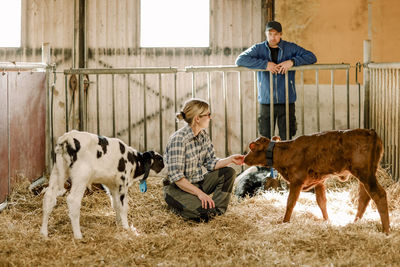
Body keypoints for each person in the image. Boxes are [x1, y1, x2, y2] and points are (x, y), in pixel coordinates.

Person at [163, 98, 244, 222]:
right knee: (201, 214)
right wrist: (200, 194)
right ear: (197, 118)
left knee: (228, 172)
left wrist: (231, 160)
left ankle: (216, 211)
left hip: (197, 183)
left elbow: (210, 163)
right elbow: (177, 178)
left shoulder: (203, 135)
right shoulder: (179, 140)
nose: (210, 118)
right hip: (177, 188)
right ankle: (181, 206)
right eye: (208, 114)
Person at [235, 21, 317, 140]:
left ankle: (286, 159)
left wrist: (292, 62)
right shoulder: (258, 48)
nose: (273, 37)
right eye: (270, 34)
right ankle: (268, 159)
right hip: (266, 100)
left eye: (276, 34)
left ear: (281, 34)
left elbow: (311, 57)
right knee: (265, 138)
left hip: (287, 100)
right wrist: (265, 64)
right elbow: (240, 60)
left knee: (287, 137)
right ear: (266, 34)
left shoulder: (290, 47)